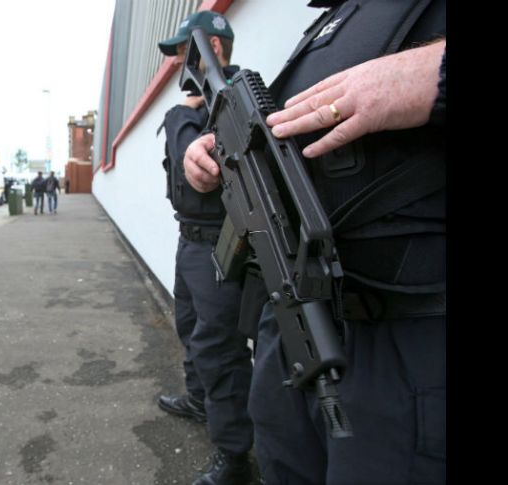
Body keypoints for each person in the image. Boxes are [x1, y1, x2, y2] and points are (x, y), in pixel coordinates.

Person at [183, 1, 446, 483]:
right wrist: (215, 149)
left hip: (404, 341)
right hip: (292, 321)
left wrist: (437, 72)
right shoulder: (335, 19)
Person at [156, 11, 260, 485]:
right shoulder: (193, 107)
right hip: (188, 240)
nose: (179, 61)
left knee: (219, 348)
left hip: (224, 243)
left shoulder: (239, 97)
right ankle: (200, 400)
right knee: (189, 326)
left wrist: (190, 116)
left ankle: (234, 456)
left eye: (184, 51)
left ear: (212, 49)